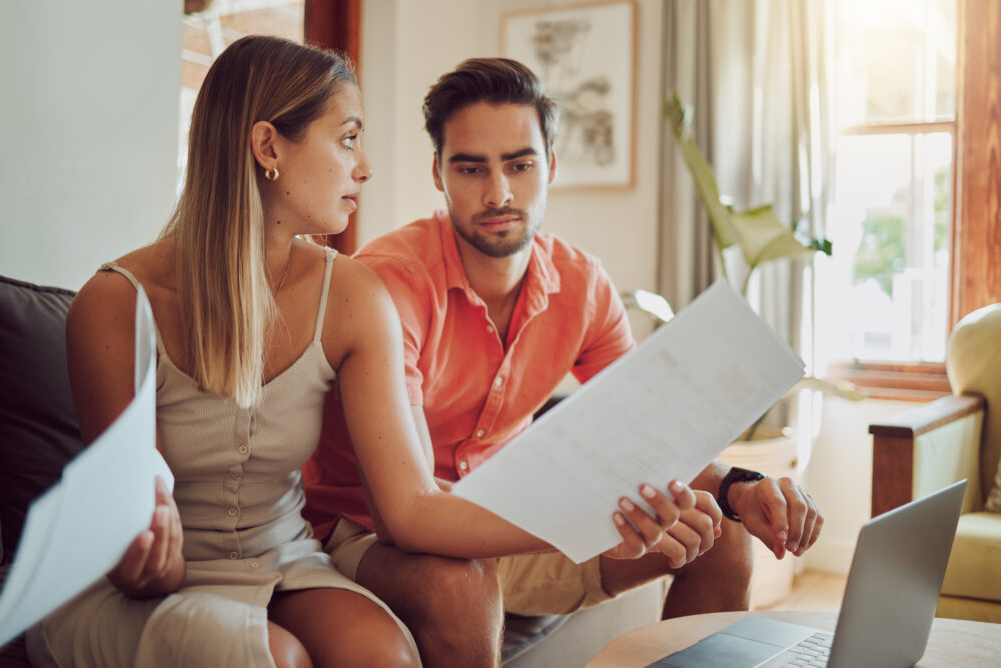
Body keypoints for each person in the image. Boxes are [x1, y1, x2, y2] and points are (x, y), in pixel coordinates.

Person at [26, 38, 707, 668]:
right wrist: (149, 559)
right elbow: (128, 547)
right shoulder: (115, 303)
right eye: (347, 138)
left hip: (281, 557)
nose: (366, 167)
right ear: (269, 147)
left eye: (520, 164)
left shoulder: (349, 294)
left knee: (384, 655)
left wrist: (610, 510)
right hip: (146, 586)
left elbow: (408, 507)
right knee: (279, 657)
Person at [303, 57, 826, 667]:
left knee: (720, 534)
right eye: (471, 168)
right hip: (365, 528)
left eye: (519, 165)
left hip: (505, 515)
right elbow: (410, 518)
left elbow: (653, 438)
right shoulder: (389, 284)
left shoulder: (583, 285)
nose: (498, 193)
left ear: (550, 167)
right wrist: (587, 522)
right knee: (457, 581)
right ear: (439, 176)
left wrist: (741, 487)